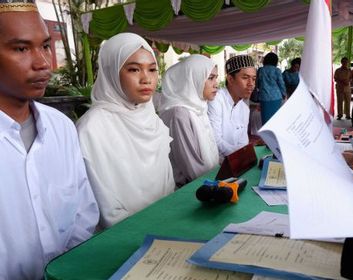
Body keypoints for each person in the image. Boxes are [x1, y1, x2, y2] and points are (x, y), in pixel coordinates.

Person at [0, 2, 99, 278]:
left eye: (45, 46)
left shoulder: (62, 128)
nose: (44, 63)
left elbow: (83, 211)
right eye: (21, 48)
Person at [76, 33, 175, 228]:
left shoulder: (151, 119)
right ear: (111, 72)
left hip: (167, 223)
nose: (146, 79)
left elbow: (167, 185)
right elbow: (106, 209)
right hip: (123, 236)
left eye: (152, 69)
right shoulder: (92, 128)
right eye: (133, 69)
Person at [159, 54, 220, 187]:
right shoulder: (179, 113)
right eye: (210, 78)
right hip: (187, 190)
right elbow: (193, 170)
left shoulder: (198, 108)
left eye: (216, 78)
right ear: (193, 79)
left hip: (204, 183)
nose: (216, 84)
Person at [208, 54, 256, 160]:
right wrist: (241, 155)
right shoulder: (216, 101)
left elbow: (243, 142)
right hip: (216, 164)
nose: (251, 84)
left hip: (235, 162)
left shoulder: (244, 108)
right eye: (245, 78)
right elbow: (216, 140)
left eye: (253, 79)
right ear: (230, 79)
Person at [256, 52, 286, 125]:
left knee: (265, 120)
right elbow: (281, 84)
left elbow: (257, 84)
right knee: (276, 120)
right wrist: (284, 94)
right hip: (276, 97)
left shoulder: (261, 70)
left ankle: (266, 135)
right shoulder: (277, 70)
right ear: (275, 61)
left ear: (265, 60)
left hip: (264, 98)